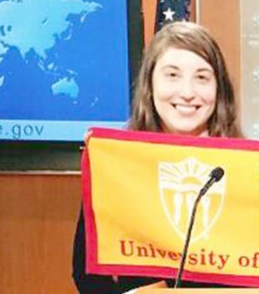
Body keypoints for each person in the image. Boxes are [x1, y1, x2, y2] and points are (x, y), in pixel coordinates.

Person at [72, 21, 242, 293]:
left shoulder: (251, 169)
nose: (187, 92)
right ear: (149, 84)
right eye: (172, 75)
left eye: (202, 77)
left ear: (219, 89)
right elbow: (88, 276)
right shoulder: (116, 164)